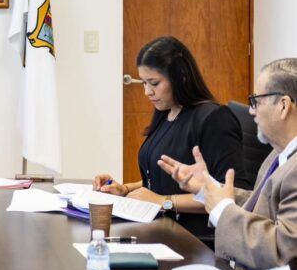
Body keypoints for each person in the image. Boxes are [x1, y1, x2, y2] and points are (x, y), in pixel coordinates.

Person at [93, 36, 246, 238]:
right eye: (144, 83)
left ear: (180, 77)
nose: (147, 92)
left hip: (194, 238)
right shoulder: (166, 112)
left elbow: (232, 196)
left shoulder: (214, 120)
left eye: (154, 83)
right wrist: (125, 189)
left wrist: (163, 201)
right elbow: (164, 178)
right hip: (158, 226)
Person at [159, 58, 297, 270]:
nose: (251, 111)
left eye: (256, 101)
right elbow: (259, 206)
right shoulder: (277, 155)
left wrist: (223, 209)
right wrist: (209, 188)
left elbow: (282, 251)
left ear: (283, 106)